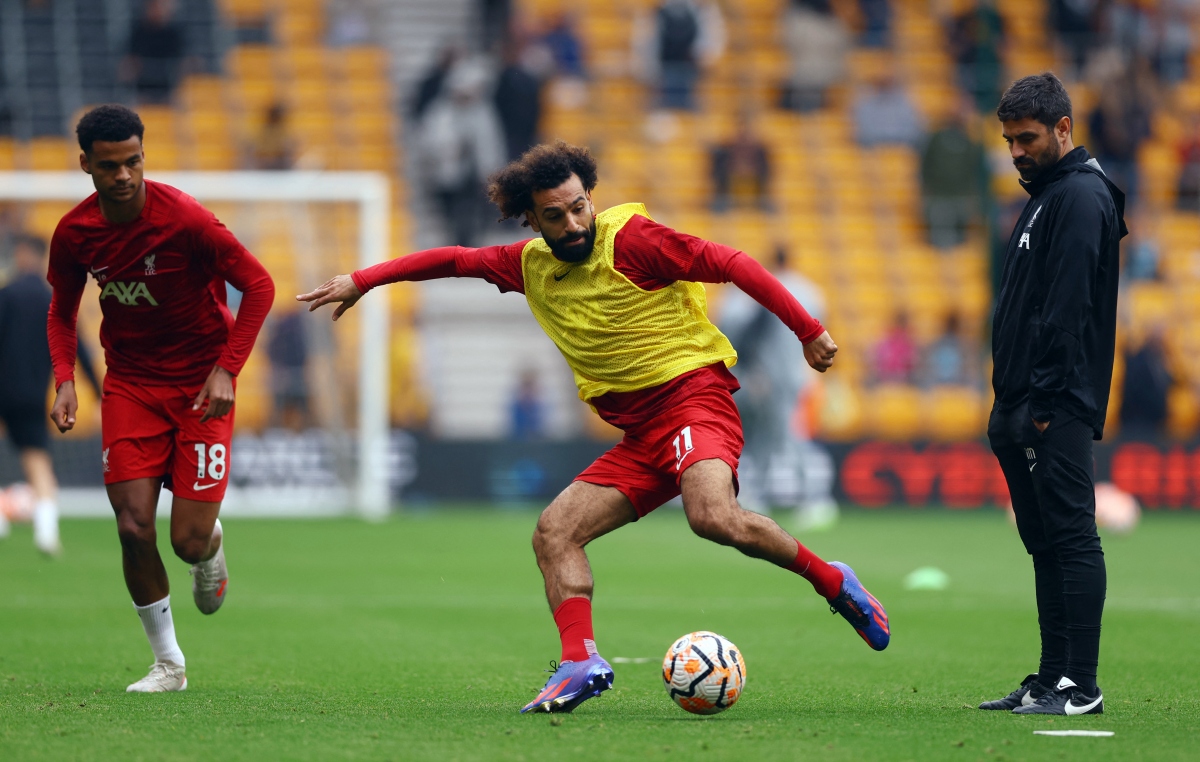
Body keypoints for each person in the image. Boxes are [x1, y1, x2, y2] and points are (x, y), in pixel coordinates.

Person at [299, 141, 890, 714]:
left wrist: (807, 328)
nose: (574, 223)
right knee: (554, 532)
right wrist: (364, 279)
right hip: (642, 435)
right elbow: (453, 258)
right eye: (555, 216)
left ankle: (832, 581)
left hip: (693, 401)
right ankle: (580, 662)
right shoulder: (527, 266)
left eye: (580, 206)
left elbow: (728, 262)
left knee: (711, 516)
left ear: (590, 196)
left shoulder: (633, 239)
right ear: (532, 220)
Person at [47, 105, 275, 693]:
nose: (123, 175)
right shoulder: (75, 233)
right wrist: (65, 378)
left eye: (133, 162)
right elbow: (62, 308)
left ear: (144, 156)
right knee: (131, 525)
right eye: (109, 166)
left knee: (186, 540)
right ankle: (169, 664)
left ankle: (212, 544)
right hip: (130, 384)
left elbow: (260, 285)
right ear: (86, 166)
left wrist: (228, 369)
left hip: (202, 386)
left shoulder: (187, 221)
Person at [983, 72, 1126, 716]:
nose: (1015, 150)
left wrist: (1040, 404)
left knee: (1070, 537)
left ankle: (1081, 685)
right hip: (1023, 403)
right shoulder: (1047, 196)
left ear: (1063, 129)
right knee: (1043, 540)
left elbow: (1067, 309)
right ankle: (1049, 678)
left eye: (1027, 138)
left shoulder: (1082, 197)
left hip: (1056, 403)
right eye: (1009, 139)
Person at [719, 248, 837, 530]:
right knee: (776, 439)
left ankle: (811, 499)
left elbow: (738, 335)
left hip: (762, 379)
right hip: (791, 378)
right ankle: (798, 499)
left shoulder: (749, 295)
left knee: (773, 439)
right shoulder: (809, 291)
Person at [0, 235, 101, 553]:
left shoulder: (5, 295)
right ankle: (46, 531)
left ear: (21, 254)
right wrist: (100, 394)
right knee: (37, 460)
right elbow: (79, 349)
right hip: (33, 393)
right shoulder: (53, 300)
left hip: (3, 388)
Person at [920, 107, 986, 249]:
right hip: (939, 196)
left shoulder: (969, 143)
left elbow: (974, 171)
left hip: (961, 196)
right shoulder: (936, 139)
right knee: (941, 237)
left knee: (961, 239)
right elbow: (926, 165)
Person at [124, 0, 187, 104]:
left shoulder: (175, 34)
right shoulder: (138, 33)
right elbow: (130, 60)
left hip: (169, 86)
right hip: (142, 87)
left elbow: (182, 60)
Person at [709, 116, 771, 212]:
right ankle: (722, 207)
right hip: (728, 181)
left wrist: (750, 169)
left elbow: (766, 169)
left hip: (755, 181)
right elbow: (717, 169)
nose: (743, 132)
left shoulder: (760, 150)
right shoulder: (725, 149)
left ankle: (761, 207)